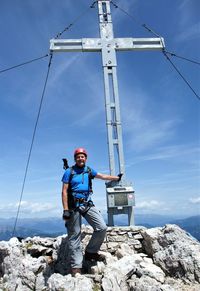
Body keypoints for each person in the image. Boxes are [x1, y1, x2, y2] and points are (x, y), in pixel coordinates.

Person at [61, 147, 122, 276]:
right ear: (75, 159)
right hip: (73, 206)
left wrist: (116, 178)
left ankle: (90, 252)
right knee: (75, 235)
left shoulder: (88, 170)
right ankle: (76, 267)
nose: (80, 158)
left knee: (101, 227)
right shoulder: (69, 172)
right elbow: (64, 191)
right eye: (78, 156)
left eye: (82, 156)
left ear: (86, 158)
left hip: (87, 203)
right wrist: (65, 209)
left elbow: (102, 176)